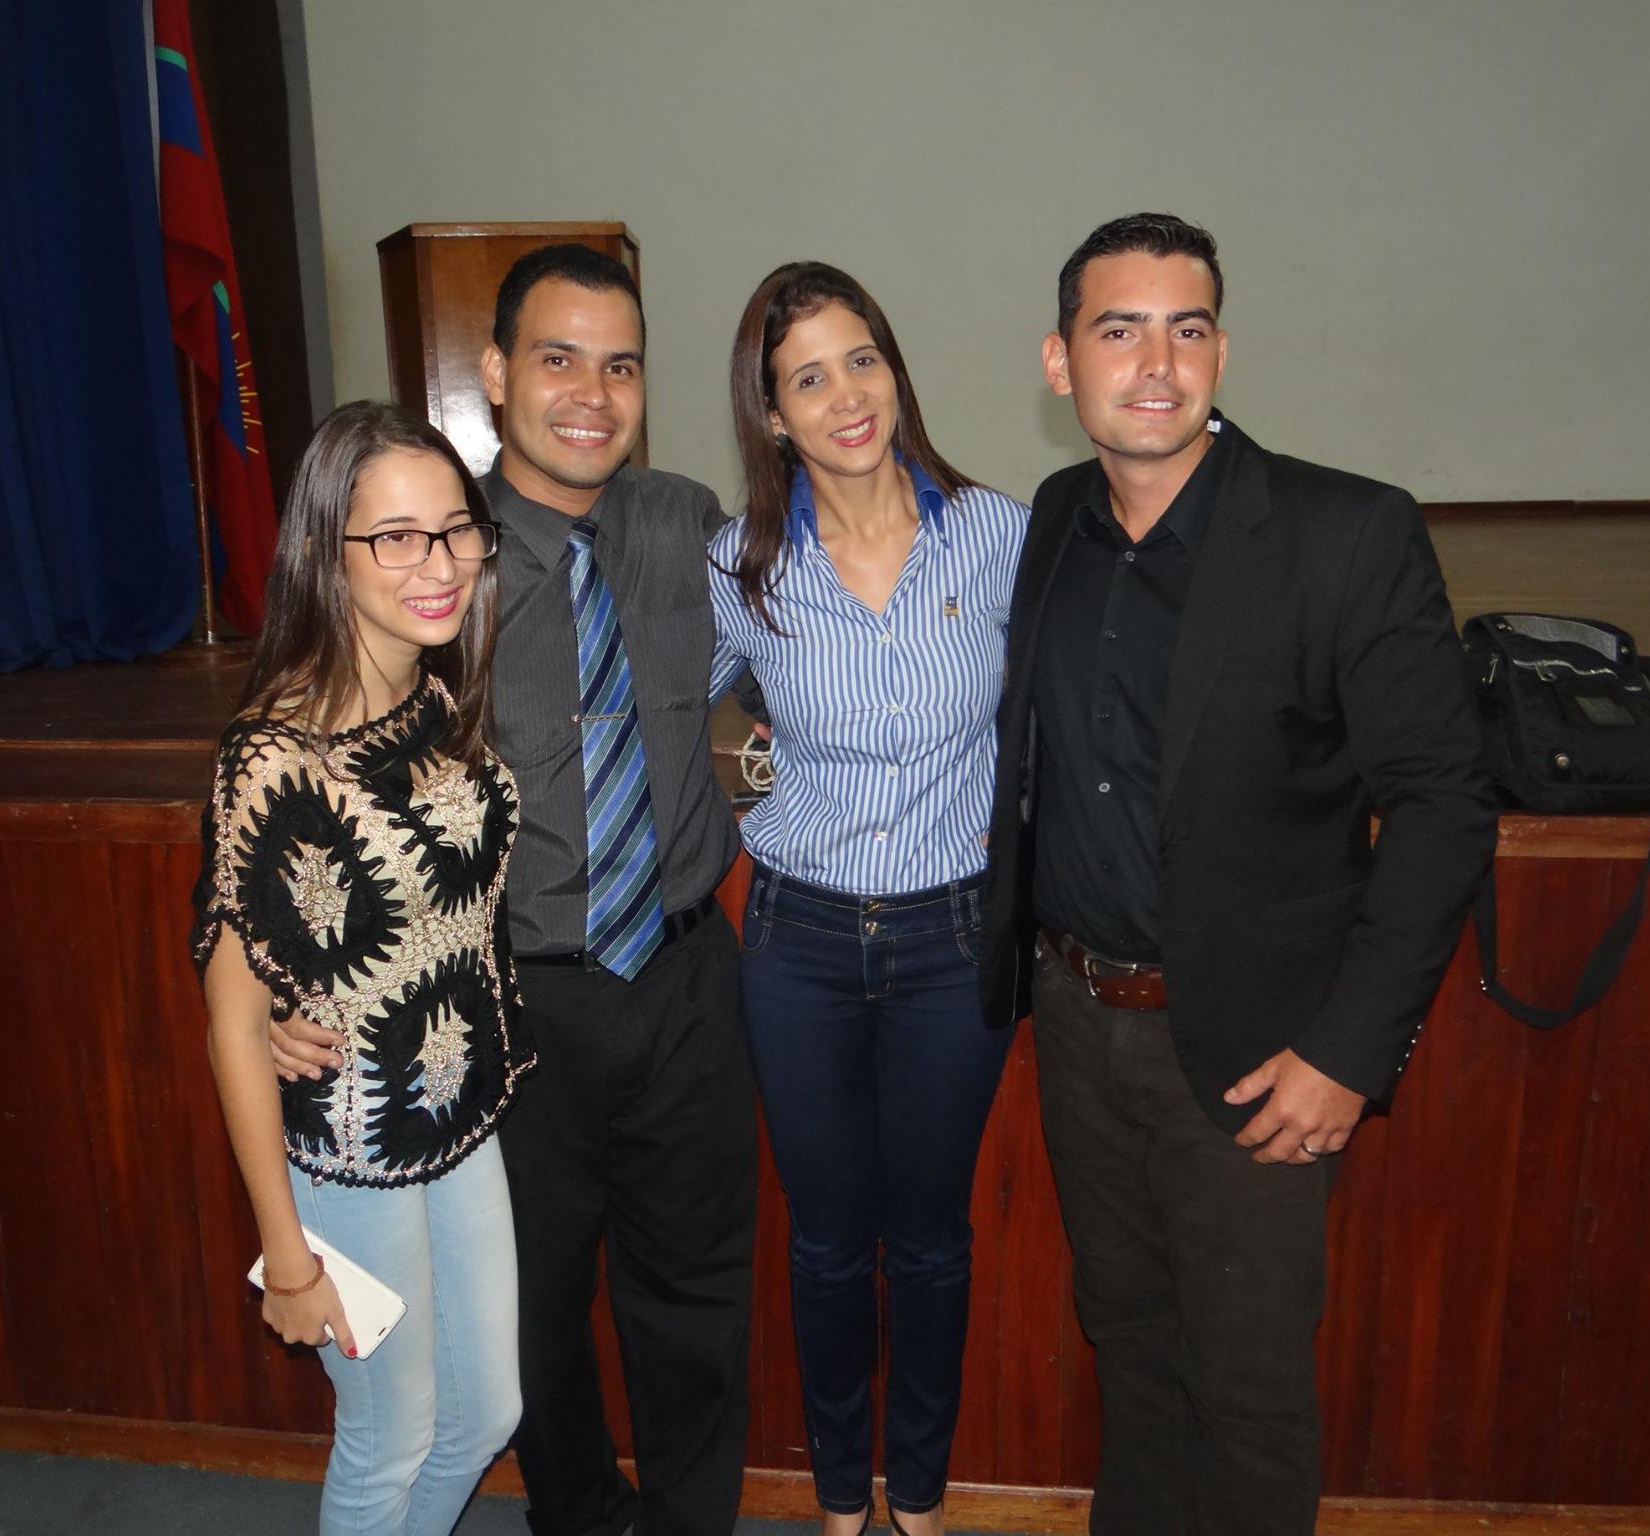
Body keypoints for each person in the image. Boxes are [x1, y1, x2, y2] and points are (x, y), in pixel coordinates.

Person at [976, 214, 1498, 1536]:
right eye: (1118, 328)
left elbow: (1442, 803)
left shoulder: (1343, 532)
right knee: (1134, 1355)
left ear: (1220, 349)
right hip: (1083, 1032)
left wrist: (1349, 1050)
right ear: (1059, 362)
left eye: (1187, 327)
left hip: (1259, 1055)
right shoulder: (1053, 520)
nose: (1157, 362)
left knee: (1248, 1394)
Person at [274, 246, 757, 1536]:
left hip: (682, 975)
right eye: (556, 358)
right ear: (493, 374)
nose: (590, 391)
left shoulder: (685, 528)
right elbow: (299, 782)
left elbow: (792, 652)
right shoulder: (438, 566)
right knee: (536, 1312)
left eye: (619, 363)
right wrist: (272, 980)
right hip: (507, 1003)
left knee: (697, 1295)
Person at [709, 262, 1027, 1536]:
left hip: (956, 942)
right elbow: (682, 709)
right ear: (770, 415)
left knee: (932, 1240)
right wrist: (751, 765)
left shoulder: (999, 535)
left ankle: (922, 1499)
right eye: (806, 377)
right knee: (830, 1243)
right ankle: (842, 1502)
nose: (844, 395)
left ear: (894, 371)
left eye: (861, 360)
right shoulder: (742, 563)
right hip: (800, 943)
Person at [192, 400, 530, 1536]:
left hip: (459, 1121)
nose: (435, 566)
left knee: (484, 1416)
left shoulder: (432, 698)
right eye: (394, 537)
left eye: (454, 531)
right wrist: (286, 1259)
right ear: (321, 553)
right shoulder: (276, 759)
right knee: (389, 1444)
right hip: (353, 1143)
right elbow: (235, 1024)